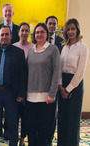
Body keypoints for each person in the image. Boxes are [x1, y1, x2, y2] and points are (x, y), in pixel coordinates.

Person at [0, 26, 26, 146]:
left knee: (12, 122)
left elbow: (23, 75)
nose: (4, 37)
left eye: (6, 34)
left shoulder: (19, 53)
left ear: (11, 36)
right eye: (2, 35)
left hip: (11, 93)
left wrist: (21, 93)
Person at [26, 23, 61, 146]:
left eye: (42, 32)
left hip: (46, 97)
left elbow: (56, 73)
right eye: (37, 32)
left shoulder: (53, 49)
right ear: (34, 35)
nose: (39, 34)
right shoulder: (31, 50)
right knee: (31, 130)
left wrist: (52, 94)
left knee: (42, 131)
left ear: (47, 34)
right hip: (30, 97)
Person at [58, 18, 89, 146]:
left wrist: (68, 89)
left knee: (73, 120)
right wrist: (61, 87)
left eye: (73, 29)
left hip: (75, 85)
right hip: (62, 83)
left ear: (77, 30)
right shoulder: (64, 47)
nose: (70, 31)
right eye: (68, 29)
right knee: (62, 118)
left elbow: (80, 72)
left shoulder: (83, 47)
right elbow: (59, 68)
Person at [13, 22, 33, 146]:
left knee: (26, 116)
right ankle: (14, 137)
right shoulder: (13, 46)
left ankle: (22, 138)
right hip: (15, 87)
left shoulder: (33, 47)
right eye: (22, 30)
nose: (24, 33)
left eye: (27, 30)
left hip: (29, 87)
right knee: (14, 115)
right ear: (18, 32)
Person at [45, 15, 64, 146]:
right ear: (46, 25)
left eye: (54, 24)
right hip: (41, 83)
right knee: (41, 113)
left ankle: (49, 139)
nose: (51, 26)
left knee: (52, 114)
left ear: (56, 26)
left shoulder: (61, 41)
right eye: (50, 23)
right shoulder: (39, 39)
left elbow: (60, 65)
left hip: (55, 83)